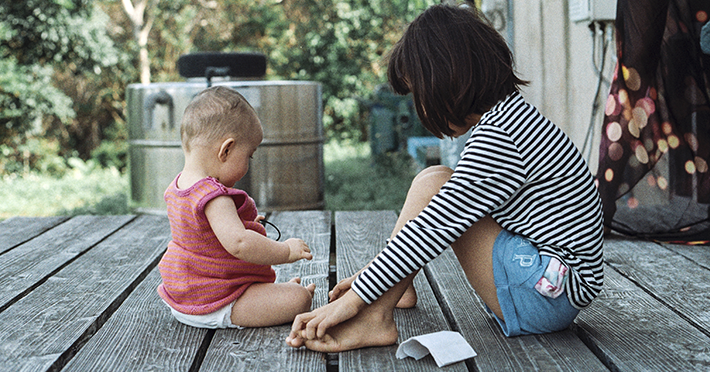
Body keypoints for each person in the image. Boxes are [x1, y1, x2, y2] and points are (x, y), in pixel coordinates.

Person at [286, 4, 604, 351]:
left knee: (437, 189)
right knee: (433, 177)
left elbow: (433, 227)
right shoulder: (510, 119)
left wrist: (358, 297)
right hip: (548, 284)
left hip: (545, 297)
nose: (420, 110)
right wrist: (373, 277)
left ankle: (376, 316)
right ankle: (396, 287)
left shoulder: (501, 139)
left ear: (444, 83)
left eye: (418, 95)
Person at [157, 86, 315, 329]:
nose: (248, 164)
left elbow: (204, 237)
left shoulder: (177, 187)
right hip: (218, 299)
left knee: (283, 295)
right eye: (249, 155)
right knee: (300, 298)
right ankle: (280, 296)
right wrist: (285, 251)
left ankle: (272, 296)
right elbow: (240, 244)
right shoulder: (212, 195)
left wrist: (242, 223)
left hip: (183, 297)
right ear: (226, 149)